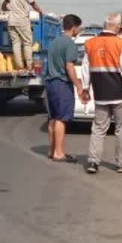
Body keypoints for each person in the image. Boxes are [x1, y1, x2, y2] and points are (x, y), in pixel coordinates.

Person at [84, 12, 122, 174]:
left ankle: (93, 162)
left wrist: (86, 88)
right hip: (119, 94)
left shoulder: (90, 43)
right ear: (117, 27)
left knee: (98, 129)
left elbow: (86, 69)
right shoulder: (121, 44)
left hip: (100, 94)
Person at [44, 13, 90, 163]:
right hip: (61, 84)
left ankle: (52, 151)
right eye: (78, 27)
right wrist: (78, 86)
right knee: (62, 119)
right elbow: (69, 67)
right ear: (74, 27)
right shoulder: (69, 43)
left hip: (50, 83)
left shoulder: (54, 42)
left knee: (53, 118)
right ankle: (59, 153)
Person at [5, 0, 44, 72]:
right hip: (22, 21)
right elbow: (34, 4)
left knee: (16, 43)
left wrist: (6, 8)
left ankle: (19, 67)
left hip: (11, 22)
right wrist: (41, 12)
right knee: (27, 43)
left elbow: (4, 4)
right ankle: (29, 66)